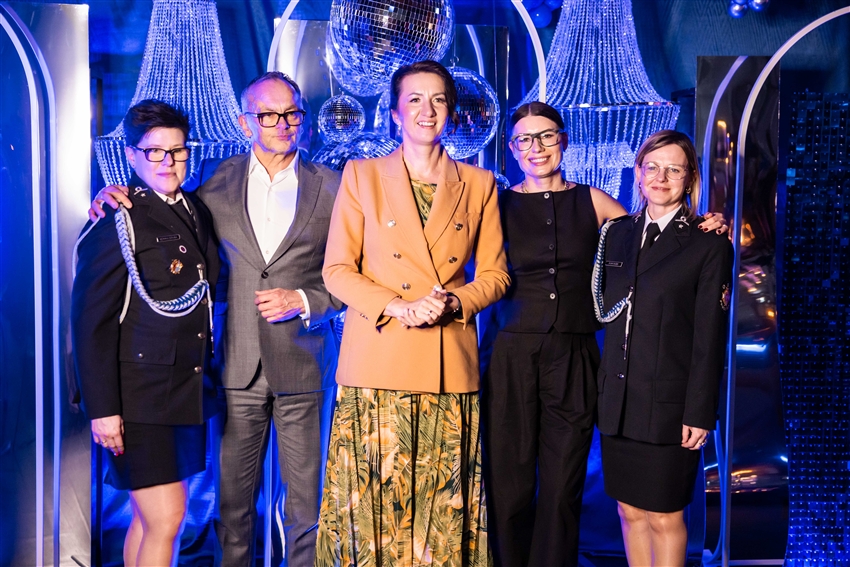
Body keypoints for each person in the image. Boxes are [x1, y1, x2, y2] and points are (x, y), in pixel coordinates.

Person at [89, 72, 342, 567]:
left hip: (306, 365)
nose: (282, 124)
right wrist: (108, 198)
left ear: (303, 119)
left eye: (292, 113)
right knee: (231, 509)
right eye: (267, 115)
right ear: (245, 123)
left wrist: (306, 299)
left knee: (307, 509)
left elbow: (353, 272)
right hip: (232, 365)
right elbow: (160, 209)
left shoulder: (334, 186)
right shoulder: (213, 183)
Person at [482, 103, 727, 567]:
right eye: (525, 139)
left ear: (564, 140)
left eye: (547, 136)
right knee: (509, 487)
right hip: (510, 355)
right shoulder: (495, 204)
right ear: (512, 148)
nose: (537, 147)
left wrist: (704, 224)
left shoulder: (595, 203)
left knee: (563, 487)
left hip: (575, 357)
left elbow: (655, 238)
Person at [317, 60, 510, 567]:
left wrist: (454, 301)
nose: (428, 110)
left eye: (439, 99)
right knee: (372, 518)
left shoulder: (479, 183)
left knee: (438, 517)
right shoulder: (361, 176)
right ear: (395, 112)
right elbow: (336, 270)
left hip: (448, 363)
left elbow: (496, 275)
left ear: (451, 110)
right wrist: (399, 306)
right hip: (377, 363)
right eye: (415, 100)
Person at [72, 99, 221, 567]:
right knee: (167, 518)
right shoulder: (117, 217)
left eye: (177, 151)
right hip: (138, 398)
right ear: (132, 156)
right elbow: (90, 323)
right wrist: (102, 410)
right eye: (154, 151)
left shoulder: (196, 209)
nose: (168, 162)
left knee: (148, 519)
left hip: (183, 391)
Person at [594, 130, 732, 566]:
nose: (661, 177)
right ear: (638, 173)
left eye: (674, 169)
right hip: (618, 401)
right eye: (652, 167)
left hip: (671, 407)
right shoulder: (616, 233)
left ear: (689, 178)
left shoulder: (709, 243)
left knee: (664, 516)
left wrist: (700, 412)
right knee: (629, 511)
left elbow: (709, 338)